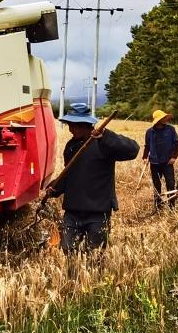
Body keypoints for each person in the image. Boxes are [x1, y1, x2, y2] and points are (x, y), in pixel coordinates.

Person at [44, 103, 140, 254]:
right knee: (68, 249)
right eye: (69, 125)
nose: (70, 129)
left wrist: (106, 136)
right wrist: (55, 188)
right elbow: (70, 174)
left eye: (73, 125)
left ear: (85, 125)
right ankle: (72, 278)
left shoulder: (104, 144)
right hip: (73, 211)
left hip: (97, 212)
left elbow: (133, 150)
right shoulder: (71, 146)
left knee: (94, 254)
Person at [142, 109, 178, 211]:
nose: (165, 119)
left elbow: (177, 144)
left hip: (167, 162)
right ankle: (158, 206)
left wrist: (174, 157)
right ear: (158, 120)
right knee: (156, 185)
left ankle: (172, 206)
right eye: (163, 118)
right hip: (154, 162)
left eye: (165, 117)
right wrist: (145, 157)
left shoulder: (171, 130)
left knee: (170, 184)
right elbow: (147, 146)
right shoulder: (149, 132)